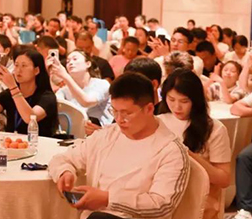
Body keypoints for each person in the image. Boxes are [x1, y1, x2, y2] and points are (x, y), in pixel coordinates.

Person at [48, 72, 189, 219]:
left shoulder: (171, 151)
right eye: (114, 111)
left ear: (149, 109)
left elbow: (162, 206)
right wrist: (65, 172)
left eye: (127, 113)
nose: (119, 119)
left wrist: (108, 199)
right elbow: (62, 159)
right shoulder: (107, 135)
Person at [158, 68, 231, 219]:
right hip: (161, 199)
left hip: (198, 202)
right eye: (171, 99)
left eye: (184, 101)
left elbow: (223, 179)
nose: (177, 107)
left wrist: (188, 155)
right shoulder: (158, 122)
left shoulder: (214, 129)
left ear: (196, 100)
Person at [0, 46, 58, 136]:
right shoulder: (8, 94)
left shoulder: (47, 97)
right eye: (16, 65)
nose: (18, 70)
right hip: (12, 142)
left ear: (36, 70)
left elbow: (30, 118)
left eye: (24, 66)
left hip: (40, 142)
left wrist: (13, 86)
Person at [50, 50, 113, 127]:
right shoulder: (64, 90)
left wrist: (65, 76)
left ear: (88, 64)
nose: (70, 63)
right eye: (68, 61)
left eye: (75, 59)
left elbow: (87, 102)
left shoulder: (102, 84)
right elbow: (56, 108)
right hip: (76, 131)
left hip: (102, 130)